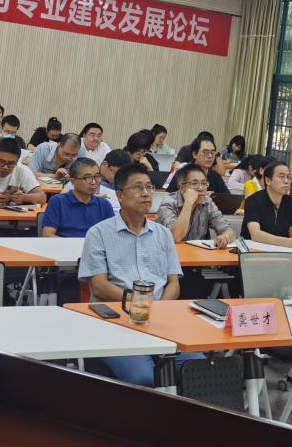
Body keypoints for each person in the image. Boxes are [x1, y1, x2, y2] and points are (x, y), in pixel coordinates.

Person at [78, 163, 201, 386]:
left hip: (161, 321)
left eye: (149, 187)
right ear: (120, 196)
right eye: (137, 187)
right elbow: (99, 286)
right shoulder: (98, 234)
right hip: (116, 322)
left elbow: (173, 283)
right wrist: (141, 305)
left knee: (198, 370)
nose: (146, 193)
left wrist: (157, 310)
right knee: (144, 378)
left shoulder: (163, 234)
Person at [242, 160, 292, 249]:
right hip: (253, 251)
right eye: (281, 177)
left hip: (282, 251)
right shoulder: (253, 201)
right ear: (268, 180)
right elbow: (256, 235)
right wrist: (290, 242)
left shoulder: (290, 201)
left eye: (288, 177)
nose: (287, 181)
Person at [156, 163, 235, 245]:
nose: (201, 188)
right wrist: (189, 202)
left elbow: (229, 231)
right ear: (182, 188)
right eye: (194, 183)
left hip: (196, 252)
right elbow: (175, 237)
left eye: (203, 183)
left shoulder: (207, 202)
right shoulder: (168, 203)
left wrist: (224, 238)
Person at [41, 158, 114, 237]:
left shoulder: (104, 205)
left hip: (95, 244)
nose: (93, 182)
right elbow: (47, 235)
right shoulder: (58, 202)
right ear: (73, 181)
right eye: (87, 178)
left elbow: (113, 236)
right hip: (65, 244)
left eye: (97, 177)